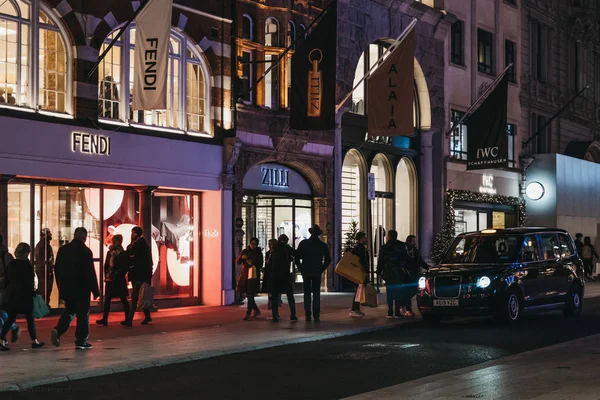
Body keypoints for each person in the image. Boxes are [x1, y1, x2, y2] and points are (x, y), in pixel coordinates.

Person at [51, 227, 99, 350]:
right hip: (82, 288)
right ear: (84, 237)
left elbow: (57, 270)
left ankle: (58, 329)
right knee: (83, 315)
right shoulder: (86, 252)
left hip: (67, 288)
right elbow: (90, 272)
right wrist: (95, 290)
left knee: (70, 311)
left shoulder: (63, 250)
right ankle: (81, 340)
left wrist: (61, 286)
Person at [0, 243, 44, 351]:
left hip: (12, 294)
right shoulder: (27, 265)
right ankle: (34, 340)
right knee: (29, 318)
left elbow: (6, 279)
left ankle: (1, 339)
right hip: (25, 295)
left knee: (10, 318)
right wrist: (34, 292)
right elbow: (29, 281)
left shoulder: (12, 263)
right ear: (26, 253)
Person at [296, 225, 331, 322]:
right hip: (316, 271)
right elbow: (328, 260)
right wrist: (321, 269)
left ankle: (307, 312)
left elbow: (297, 257)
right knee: (316, 293)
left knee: (307, 292)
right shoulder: (322, 245)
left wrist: (300, 268)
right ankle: (316, 314)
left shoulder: (304, 243)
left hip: (306, 271)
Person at [96, 234, 130, 326]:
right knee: (108, 298)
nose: (114, 243)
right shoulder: (110, 252)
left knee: (122, 298)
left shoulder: (123, 253)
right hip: (111, 278)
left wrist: (118, 274)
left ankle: (128, 318)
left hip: (118, 278)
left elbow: (124, 266)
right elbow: (106, 265)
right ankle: (105, 319)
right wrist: (107, 274)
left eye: (115, 241)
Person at [123, 226, 153, 326]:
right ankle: (147, 316)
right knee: (140, 296)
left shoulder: (141, 246)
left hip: (140, 274)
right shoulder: (133, 245)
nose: (132, 235)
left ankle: (130, 319)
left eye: (134, 233)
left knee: (135, 296)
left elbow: (147, 262)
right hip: (136, 274)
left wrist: (147, 277)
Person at [377, 230, 408, 319]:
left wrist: (379, 271)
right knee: (398, 292)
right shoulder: (401, 246)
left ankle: (390, 311)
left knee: (390, 292)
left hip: (388, 272)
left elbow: (381, 261)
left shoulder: (384, 247)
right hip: (398, 272)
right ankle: (397, 312)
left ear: (389, 236)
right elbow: (405, 258)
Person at [269, 234, 297, 322]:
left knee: (275, 296)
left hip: (275, 276)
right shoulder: (286, 248)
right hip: (285, 275)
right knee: (290, 296)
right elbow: (296, 253)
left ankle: (275, 314)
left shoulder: (274, 249)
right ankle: (293, 314)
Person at [235, 237, 263, 320]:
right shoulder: (245, 251)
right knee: (248, 294)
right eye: (252, 244)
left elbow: (260, 264)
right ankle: (256, 310)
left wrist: (251, 262)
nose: (253, 246)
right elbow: (238, 261)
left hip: (253, 275)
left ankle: (248, 312)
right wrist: (241, 257)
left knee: (250, 294)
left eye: (254, 244)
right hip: (245, 275)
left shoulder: (258, 253)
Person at [404, 235, 430, 317]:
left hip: (415, 274)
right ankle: (408, 308)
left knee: (415, 290)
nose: (415, 243)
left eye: (415, 241)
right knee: (409, 291)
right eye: (413, 241)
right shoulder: (405, 251)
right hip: (407, 274)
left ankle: (405, 306)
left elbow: (420, 261)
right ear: (408, 241)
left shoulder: (415, 250)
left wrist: (428, 267)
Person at [350, 231, 370, 318]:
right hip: (360, 272)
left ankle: (356, 309)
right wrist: (366, 271)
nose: (366, 239)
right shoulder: (361, 248)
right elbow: (363, 261)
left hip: (357, 272)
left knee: (358, 290)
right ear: (361, 239)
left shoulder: (357, 248)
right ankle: (354, 309)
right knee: (358, 291)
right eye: (365, 238)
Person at [34, 228, 54, 307]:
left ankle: (43, 305)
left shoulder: (42, 245)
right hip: (44, 271)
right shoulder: (44, 246)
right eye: (49, 234)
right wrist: (48, 269)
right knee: (45, 288)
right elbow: (44, 260)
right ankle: (42, 305)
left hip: (43, 270)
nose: (50, 235)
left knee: (43, 288)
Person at [262, 239, 281, 310]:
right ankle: (270, 303)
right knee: (269, 289)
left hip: (275, 274)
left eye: (272, 244)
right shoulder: (268, 253)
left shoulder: (277, 253)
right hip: (269, 273)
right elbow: (267, 262)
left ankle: (275, 304)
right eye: (269, 244)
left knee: (274, 290)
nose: (270, 246)